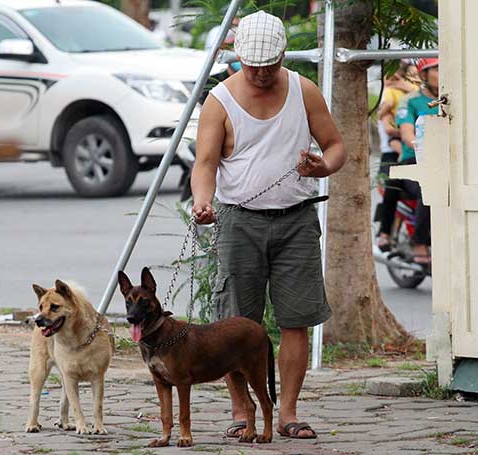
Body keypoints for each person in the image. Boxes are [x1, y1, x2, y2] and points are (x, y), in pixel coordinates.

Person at [191, 11, 346, 439]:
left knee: (296, 319)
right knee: (237, 324)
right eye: (251, 65)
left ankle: (288, 413)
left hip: (296, 220)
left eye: (269, 65)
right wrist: (202, 202)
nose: (260, 73)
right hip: (238, 221)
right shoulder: (219, 101)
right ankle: (242, 411)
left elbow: (335, 148)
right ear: (238, 56)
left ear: (282, 55)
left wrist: (322, 167)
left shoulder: (303, 90)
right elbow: (204, 165)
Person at [376, 58, 439, 262]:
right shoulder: (410, 101)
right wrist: (423, 148)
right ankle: (419, 243)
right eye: (436, 69)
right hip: (414, 163)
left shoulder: (451, 98)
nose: (441, 73)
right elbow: (406, 134)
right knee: (430, 189)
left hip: (446, 162)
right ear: (424, 75)